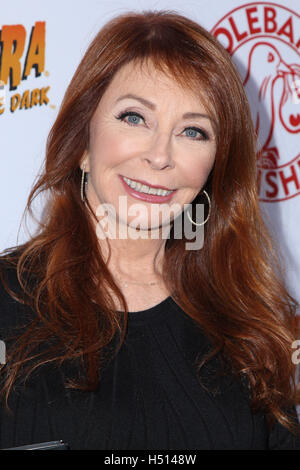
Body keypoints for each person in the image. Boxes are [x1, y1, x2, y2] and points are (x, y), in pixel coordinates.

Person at [0, 10, 300, 450]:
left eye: (193, 131)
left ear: (216, 167)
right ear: (82, 141)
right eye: (135, 118)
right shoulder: (7, 301)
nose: (161, 155)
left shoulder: (250, 321)